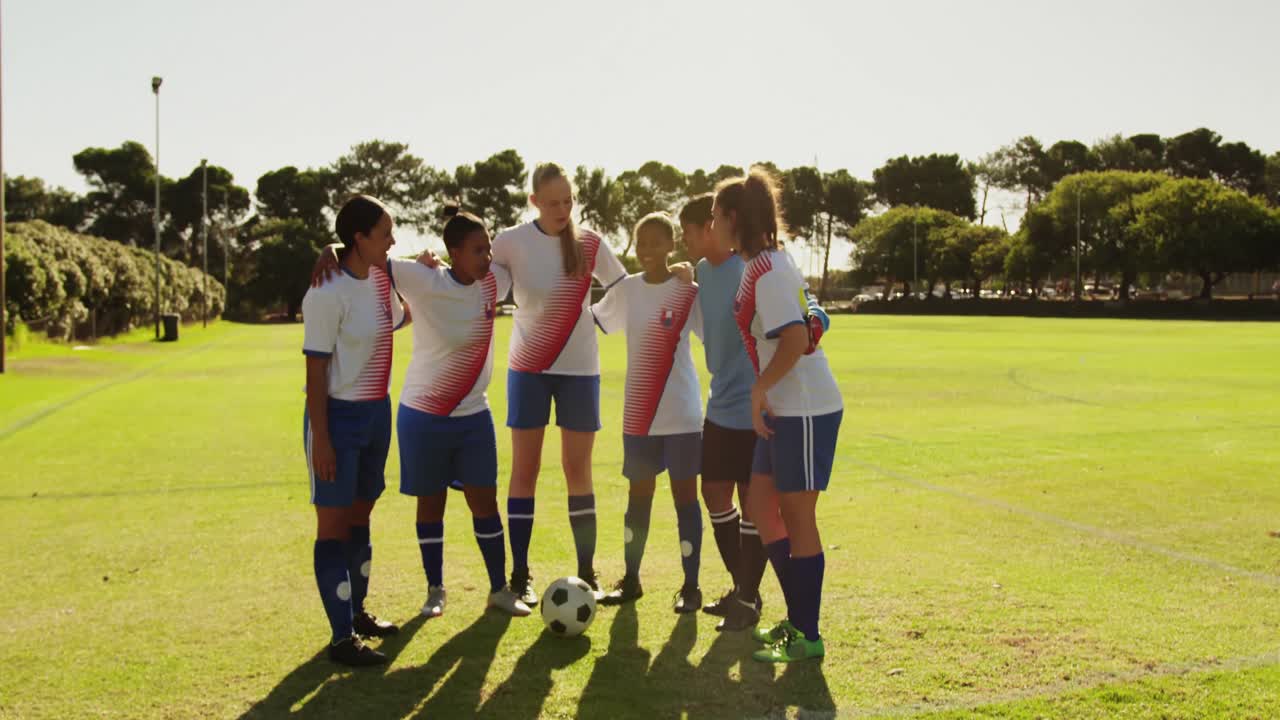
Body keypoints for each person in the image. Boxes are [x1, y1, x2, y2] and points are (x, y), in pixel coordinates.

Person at [679, 193, 830, 633]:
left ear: (722, 223)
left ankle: (776, 611)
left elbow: (801, 322)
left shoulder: (760, 267)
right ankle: (755, 594)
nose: (696, 232)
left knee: (771, 508)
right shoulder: (711, 272)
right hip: (733, 401)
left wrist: (762, 386)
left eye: (703, 222)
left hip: (774, 405)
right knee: (738, 502)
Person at [714, 170, 843, 663]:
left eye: (714, 216)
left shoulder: (768, 271)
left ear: (732, 220)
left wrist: (760, 389)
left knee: (796, 516)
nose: (711, 224)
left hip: (806, 409)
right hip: (783, 409)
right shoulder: (767, 263)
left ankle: (807, 634)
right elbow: (806, 315)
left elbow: (793, 339)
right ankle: (799, 620)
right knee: (764, 510)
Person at [385, 207, 532, 619]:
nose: (486, 257)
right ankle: (435, 590)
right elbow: (368, 256)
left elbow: (528, 256)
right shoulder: (423, 279)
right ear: (452, 252)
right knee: (430, 505)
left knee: (484, 502)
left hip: (473, 417)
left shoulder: (492, 281)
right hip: (423, 416)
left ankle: (499, 589)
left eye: (487, 248)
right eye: (476, 250)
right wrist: (332, 249)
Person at [492, 163, 628, 603]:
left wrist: (597, 320)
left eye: (568, 201)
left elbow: (623, 286)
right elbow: (484, 285)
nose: (563, 209)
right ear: (533, 201)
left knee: (577, 471)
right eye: (553, 202)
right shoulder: (509, 242)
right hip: (528, 370)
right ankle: (520, 575)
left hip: (580, 371)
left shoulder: (589, 242)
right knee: (524, 471)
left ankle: (587, 571)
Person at [300, 195, 408, 667]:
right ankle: (341, 637)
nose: (393, 241)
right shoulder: (326, 292)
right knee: (333, 525)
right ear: (359, 239)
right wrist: (321, 439)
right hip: (337, 419)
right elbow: (314, 373)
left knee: (361, 516)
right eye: (385, 234)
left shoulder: (381, 278)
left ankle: (357, 612)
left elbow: (402, 317)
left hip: (376, 413)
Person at [590, 212, 705, 613]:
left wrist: (695, 282)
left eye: (657, 242)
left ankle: (691, 587)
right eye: (642, 243)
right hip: (639, 415)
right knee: (638, 499)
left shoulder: (686, 289)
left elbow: (715, 334)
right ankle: (632, 579)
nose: (649, 250)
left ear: (671, 245)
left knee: (684, 500)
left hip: (683, 414)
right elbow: (592, 321)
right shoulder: (628, 291)